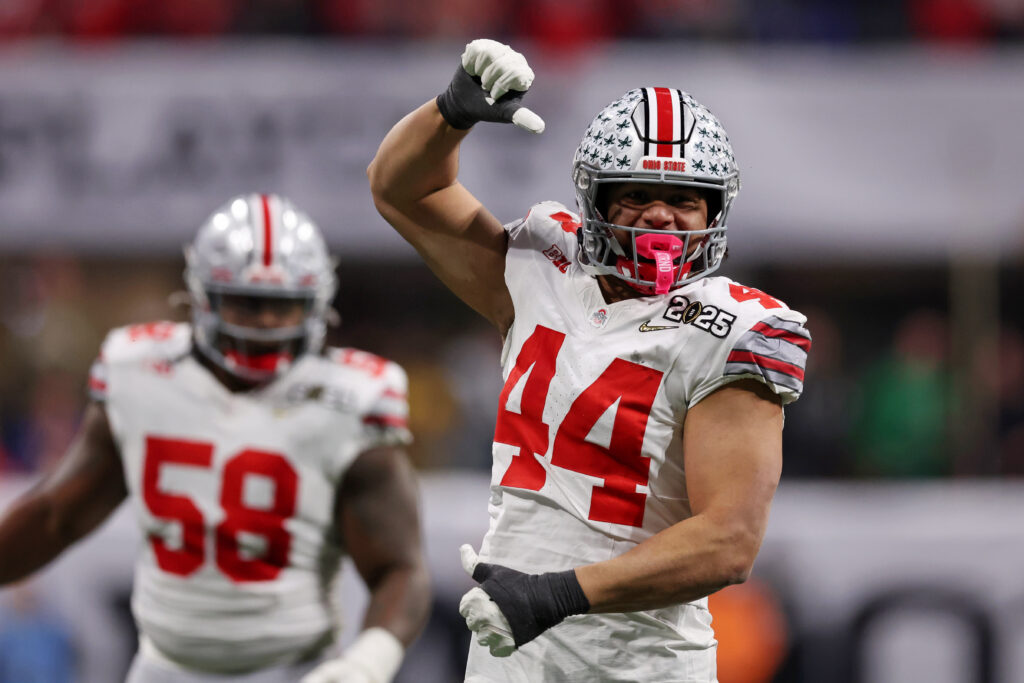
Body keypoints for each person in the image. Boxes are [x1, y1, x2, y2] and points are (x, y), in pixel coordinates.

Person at [368, 39, 811, 682]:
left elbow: (728, 542)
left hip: (637, 664)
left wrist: (555, 594)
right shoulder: (544, 268)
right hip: (509, 649)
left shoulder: (736, 328)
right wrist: (451, 113)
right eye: (635, 193)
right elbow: (400, 190)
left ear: (715, 210)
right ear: (595, 201)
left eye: (685, 199)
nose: (660, 213)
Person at [0, 193, 431, 683]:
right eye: (248, 303)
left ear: (316, 303)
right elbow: (58, 514)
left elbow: (400, 567)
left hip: (296, 670)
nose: (267, 323)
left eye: (283, 306)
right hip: (165, 668)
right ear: (203, 296)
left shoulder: (351, 398)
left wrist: (366, 662)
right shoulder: (140, 372)